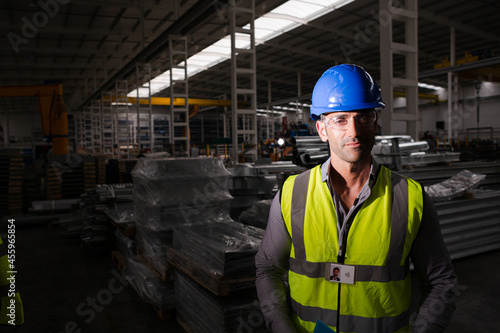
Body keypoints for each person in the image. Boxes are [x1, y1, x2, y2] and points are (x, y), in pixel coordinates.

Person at [255, 64, 457, 333]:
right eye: (340, 119)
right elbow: (268, 269)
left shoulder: (410, 199)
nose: (354, 131)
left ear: (376, 122)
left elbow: (441, 283)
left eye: (363, 117)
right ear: (322, 129)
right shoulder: (293, 194)